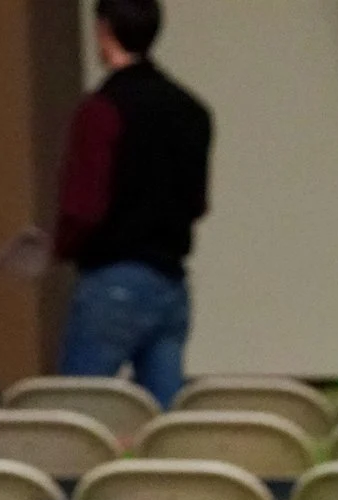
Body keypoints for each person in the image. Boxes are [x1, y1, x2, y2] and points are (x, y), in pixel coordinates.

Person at [54, 0, 213, 411]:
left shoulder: (100, 111)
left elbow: (84, 207)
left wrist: (57, 247)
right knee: (161, 424)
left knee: (75, 418)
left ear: (104, 30)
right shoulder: (193, 112)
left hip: (112, 281)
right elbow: (197, 204)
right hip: (171, 284)